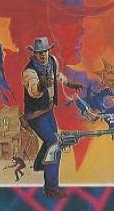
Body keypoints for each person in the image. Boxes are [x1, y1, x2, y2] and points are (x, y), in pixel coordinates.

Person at [0, 0, 114, 169]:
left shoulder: (88, 87)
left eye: (81, 19)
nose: (82, 30)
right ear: (38, 26)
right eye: (70, 20)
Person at [22, 37, 81, 199]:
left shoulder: (53, 61)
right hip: (35, 115)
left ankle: (41, 165)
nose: (43, 55)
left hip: (48, 111)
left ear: (49, 51)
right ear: (34, 53)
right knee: (54, 143)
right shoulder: (29, 72)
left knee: (54, 143)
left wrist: (70, 84)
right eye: (39, 52)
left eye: (45, 51)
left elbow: (57, 75)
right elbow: (33, 90)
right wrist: (41, 84)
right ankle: (51, 187)